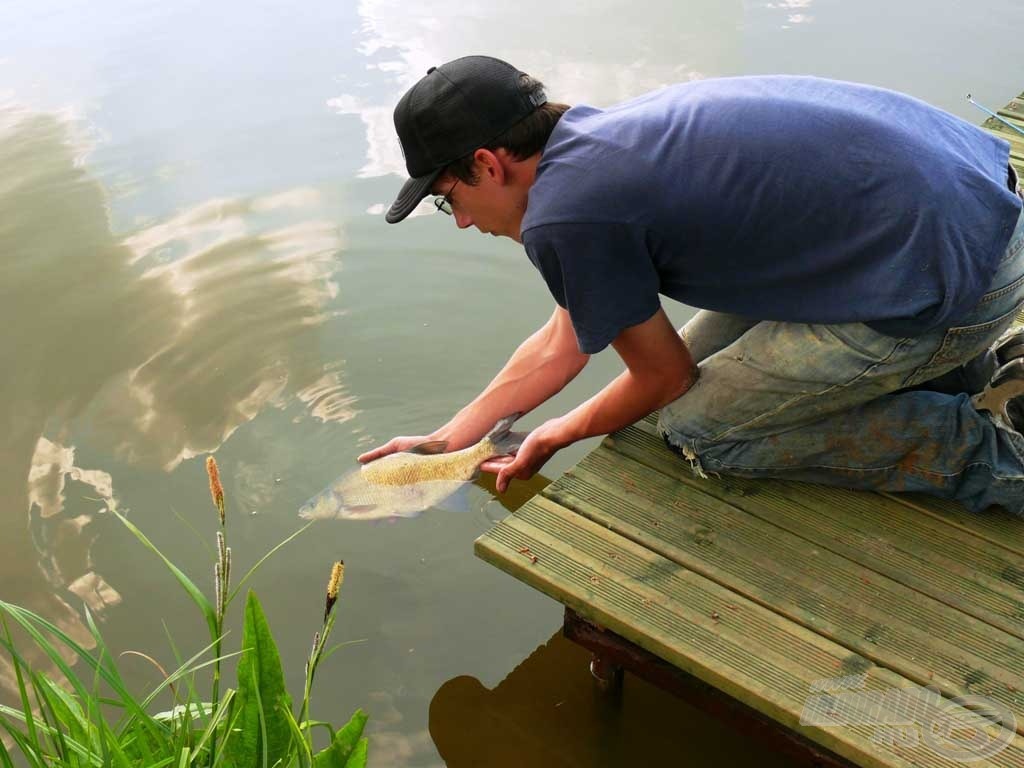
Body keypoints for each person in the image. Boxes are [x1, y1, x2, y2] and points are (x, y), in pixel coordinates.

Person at [359, 54, 1024, 516]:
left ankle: (999, 460)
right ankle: (983, 375)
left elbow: (663, 382)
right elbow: (565, 338)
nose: (464, 222)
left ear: (485, 164)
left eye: (449, 200)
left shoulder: (567, 216)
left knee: (698, 429)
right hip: (982, 209)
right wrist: (452, 440)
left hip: (957, 285)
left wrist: (557, 433)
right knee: (696, 370)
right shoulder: (591, 141)